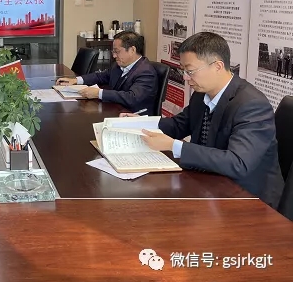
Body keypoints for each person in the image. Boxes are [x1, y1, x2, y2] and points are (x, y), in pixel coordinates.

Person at [133, 32, 284, 208]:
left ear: (218, 66)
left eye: (190, 71)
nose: (185, 77)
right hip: (210, 184)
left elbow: (238, 163)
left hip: (249, 199)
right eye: (183, 71)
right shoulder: (201, 94)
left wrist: (174, 146)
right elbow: (179, 125)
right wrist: (140, 123)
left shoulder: (251, 105)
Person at [56, 31, 158, 113]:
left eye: (117, 51)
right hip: (116, 110)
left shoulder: (146, 72)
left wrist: (99, 93)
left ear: (132, 50)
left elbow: (131, 98)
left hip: (134, 118)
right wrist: (76, 80)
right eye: (113, 52)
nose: (114, 56)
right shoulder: (119, 65)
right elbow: (101, 76)